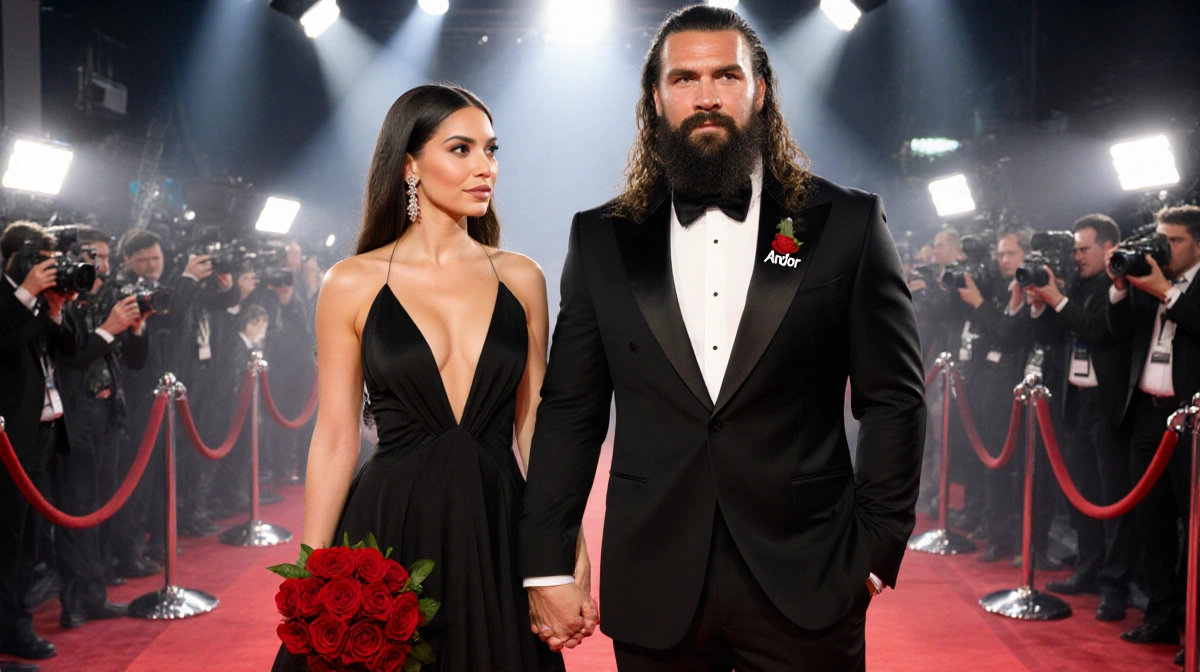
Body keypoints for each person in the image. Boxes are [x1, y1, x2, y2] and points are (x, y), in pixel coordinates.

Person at [518, 6, 926, 670]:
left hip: (810, 577)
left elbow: (894, 400)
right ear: (656, 96)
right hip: (655, 579)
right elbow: (570, 412)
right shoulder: (601, 237)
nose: (706, 96)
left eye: (725, 75)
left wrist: (875, 553)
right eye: (684, 78)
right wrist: (545, 563)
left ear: (759, 88)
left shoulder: (843, 223)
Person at [271, 84, 578, 672]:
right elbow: (335, 437)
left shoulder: (521, 277)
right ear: (409, 163)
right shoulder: (351, 283)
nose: (484, 167)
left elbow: (536, 424)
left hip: (499, 524)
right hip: (390, 527)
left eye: (491, 150)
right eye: (461, 149)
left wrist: (564, 542)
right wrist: (312, 571)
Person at [1027, 214, 1132, 621]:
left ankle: (1115, 586)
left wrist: (1057, 299)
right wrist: (1041, 305)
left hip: (1108, 407)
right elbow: (1051, 338)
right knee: (1082, 494)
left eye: (1083, 249)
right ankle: (1088, 569)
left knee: (1111, 500)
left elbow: (1099, 330)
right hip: (1076, 403)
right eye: (1074, 249)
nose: (1077, 256)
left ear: (1108, 247)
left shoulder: (1120, 286)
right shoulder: (1075, 285)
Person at [1107, 205, 1200, 665]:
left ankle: (1194, 631)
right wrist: (1122, 288)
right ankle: (1161, 617)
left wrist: (1168, 292)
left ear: (1198, 244)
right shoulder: (1149, 277)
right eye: (1161, 238)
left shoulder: (1185, 285)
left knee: (1195, 531)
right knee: (1152, 524)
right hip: (1148, 416)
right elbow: (1115, 333)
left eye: (1175, 240)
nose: (1164, 248)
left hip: (1193, 424)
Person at [51, 226, 149, 629]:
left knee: (104, 505)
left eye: (107, 258)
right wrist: (110, 327)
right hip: (74, 419)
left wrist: (136, 328)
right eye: (97, 257)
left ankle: (96, 593)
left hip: (110, 416)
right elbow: (72, 356)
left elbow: (136, 361)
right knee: (77, 510)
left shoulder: (104, 298)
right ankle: (72, 602)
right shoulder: (62, 299)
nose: (103, 266)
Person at [0, 222, 79, 665]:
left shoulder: (37, 298)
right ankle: (10, 627)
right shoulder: (8, 298)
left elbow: (67, 349)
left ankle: (18, 623)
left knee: (31, 541)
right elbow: (6, 345)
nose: (47, 268)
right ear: (15, 259)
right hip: (10, 440)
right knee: (8, 541)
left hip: (44, 435)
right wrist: (26, 295)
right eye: (38, 260)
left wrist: (53, 308)